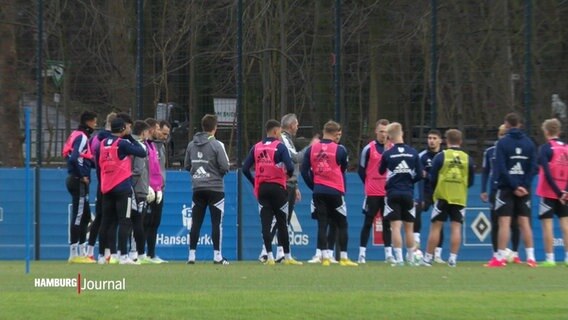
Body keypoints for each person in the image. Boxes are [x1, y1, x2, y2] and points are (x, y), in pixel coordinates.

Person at [243, 119, 302, 265]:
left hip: (262, 189)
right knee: (282, 222)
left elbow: (245, 168)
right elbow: (289, 166)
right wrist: (287, 175)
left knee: (266, 223)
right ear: (276, 131)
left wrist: (255, 182)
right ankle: (287, 256)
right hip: (277, 187)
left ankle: (269, 256)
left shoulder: (256, 147)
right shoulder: (280, 147)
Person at [301, 120, 358, 266]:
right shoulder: (340, 150)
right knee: (342, 223)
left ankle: (325, 257)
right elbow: (343, 168)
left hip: (319, 191)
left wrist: (313, 186)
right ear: (335, 133)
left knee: (322, 224)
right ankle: (344, 257)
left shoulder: (312, 149)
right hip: (335, 191)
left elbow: (303, 170)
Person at [488, 113, 537, 268]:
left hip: (506, 188)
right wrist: (524, 185)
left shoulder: (502, 143)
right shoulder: (529, 143)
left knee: (504, 222)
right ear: (520, 124)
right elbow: (533, 168)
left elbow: (501, 167)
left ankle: (500, 258)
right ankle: (531, 258)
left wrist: (514, 186)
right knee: (524, 222)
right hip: (524, 189)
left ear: (506, 124)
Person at [421, 129, 474, 267]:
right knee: (456, 228)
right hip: (459, 198)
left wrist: (435, 190)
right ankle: (452, 259)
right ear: (460, 142)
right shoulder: (467, 158)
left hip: (443, 196)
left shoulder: (441, 156)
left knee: (436, 227)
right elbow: (471, 180)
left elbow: (432, 177)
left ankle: (427, 258)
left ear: (446, 141)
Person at [98, 117, 147, 264]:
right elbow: (142, 152)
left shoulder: (102, 144)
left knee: (107, 222)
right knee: (124, 221)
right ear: (122, 130)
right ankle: (123, 255)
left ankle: (103, 255)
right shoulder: (123, 144)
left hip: (107, 187)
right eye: (127, 128)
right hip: (122, 187)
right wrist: (131, 138)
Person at [184, 114, 230, 265]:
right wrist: (217, 174)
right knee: (216, 223)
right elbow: (225, 166)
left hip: (197, 188)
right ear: (215, 128)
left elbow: (187, 166)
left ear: (203, 127)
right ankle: (217, 256)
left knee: (195, 222)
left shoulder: (191, 144)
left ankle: (191, 255)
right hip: (216, 188)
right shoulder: (217, 145)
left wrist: (198, 174)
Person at [258, 113, 302, 263]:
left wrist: (295, 186)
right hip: (280, 184)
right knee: (278, 220)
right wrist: (311, 147)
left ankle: (280, 253)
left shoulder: (286, 139)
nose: (298, 127)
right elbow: (294, 158)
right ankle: (265, 251)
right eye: (296, 124)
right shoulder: (283, 139)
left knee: (284, 220)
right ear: (291, 125)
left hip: (288, 184)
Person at [379, 122, 422, 266]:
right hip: (408, 193)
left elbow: (380, 171)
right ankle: (410, 258)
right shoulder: (413, 152)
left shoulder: (388, 154)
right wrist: (410, 180)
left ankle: (398, 259)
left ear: (389, 137)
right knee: (409, 228)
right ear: (402, 133)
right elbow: (420, 174)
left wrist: (385, 151)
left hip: (393, 193)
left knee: (395, 227)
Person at [481, 125, 521, 265]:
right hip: (495, 190)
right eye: (501, 133)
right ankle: (497, 254)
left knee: (515, 223)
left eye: (506, 133)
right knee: (496, 222)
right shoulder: (490, 151)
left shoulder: (511, 149)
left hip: (511, 189)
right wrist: (483, 189)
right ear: (498, 135)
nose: (503, 136)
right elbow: (486, 171)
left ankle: (515, 253)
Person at [357, 119, 395, 263]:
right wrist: (368, 183)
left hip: (387, 193)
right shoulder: (369, 149)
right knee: (368, 222)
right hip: (372, 192)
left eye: (386, 132)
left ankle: (388, 254)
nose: (383, 134)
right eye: (381, 131)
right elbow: (361, 170)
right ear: (376, 132)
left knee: (387, 223)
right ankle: (362, 254)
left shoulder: (392, 148)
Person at [62, 110, 97, 263]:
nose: (96, 125)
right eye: (94, 122)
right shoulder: (82, 137)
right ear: (88, 122)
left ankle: (82, 252)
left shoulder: (76, 134)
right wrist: (81, 175)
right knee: (78, 216)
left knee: (86, 216)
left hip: (76, 179)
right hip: (78, 181)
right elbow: (74, 158)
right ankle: (73, 253)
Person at [536, 119, 568, 267]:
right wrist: (565, 191)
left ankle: (550, 258)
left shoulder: (545, 148)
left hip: (549, 192)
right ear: (558, 131)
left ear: (546, 132)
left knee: (547, 225)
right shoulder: (567, 148)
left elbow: (547, 174)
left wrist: (557, 192)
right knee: (565, 224)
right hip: (565, 193)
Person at [86, 112, 117, 263]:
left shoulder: (95, 139)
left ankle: (91, 251)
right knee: (109, 219)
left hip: (101, 182)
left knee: (99, 218)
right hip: (111, 181)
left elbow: (92, 158)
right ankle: (106, 253)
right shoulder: (113, 140)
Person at [415, 129, 445, 263]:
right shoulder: (422, 156)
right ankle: (416, 244)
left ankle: (437, 254)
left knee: (439, 222)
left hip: (440, 192)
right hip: (427, 192)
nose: (431, 141)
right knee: (417, 211)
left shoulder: (444, 156)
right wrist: (421, 198)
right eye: (429, 138)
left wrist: (430, 176)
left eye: (434, 138)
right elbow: (420, 177)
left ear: (440, 140)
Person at [144, 118, 169, 263]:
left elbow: (161, 170)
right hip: (148, 190)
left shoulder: (161, 147)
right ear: (152, 130)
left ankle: (151, 254)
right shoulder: (147, 146)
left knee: (155, 222)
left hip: (159, 189)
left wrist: (161, 186)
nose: (163, 135)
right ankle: (139, 253)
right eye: (160, 130)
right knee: (144, 222)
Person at [129, 120, 153, 264]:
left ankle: (134, 252)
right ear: (143, 132)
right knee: (137, 222)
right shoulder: (140, 147)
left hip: (138, 189)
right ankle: (134, 253)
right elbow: (138, 170)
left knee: (132, 222)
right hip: (138, 190)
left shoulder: (129, 144)